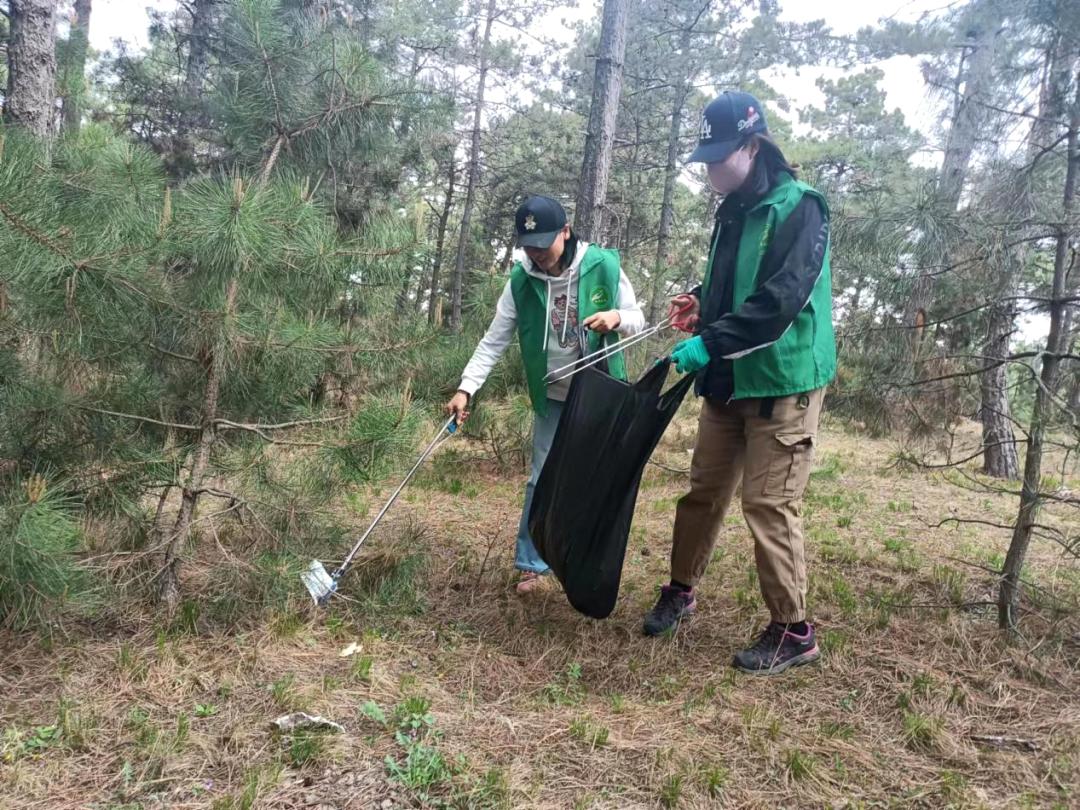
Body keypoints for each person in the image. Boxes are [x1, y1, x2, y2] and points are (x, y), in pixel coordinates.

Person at [642, 91, 836, 676]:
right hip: (728, 380)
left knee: (768, 503)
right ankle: (681, 590)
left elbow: (778, 302)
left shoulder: (801, 209)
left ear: (753, 147)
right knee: (703, 491)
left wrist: (710, 341)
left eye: (719, 155)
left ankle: (793, 630)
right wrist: (701, 304)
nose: (709, 168)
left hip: (782, 380)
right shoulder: (732, 208)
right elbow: (734, 287)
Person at [445, 195, 645, 593]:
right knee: (541, 479)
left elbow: (639, 318)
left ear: (566, 232)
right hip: (552, 395)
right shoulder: (521, 281)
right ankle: (531, 563)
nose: (537, 254)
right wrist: (466, 388)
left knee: (593, 478)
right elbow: (493, 341)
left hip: (598, 395)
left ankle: (583, 558)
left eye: (544, 244)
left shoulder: (604, 265)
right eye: (529, 247)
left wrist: (617, 318)